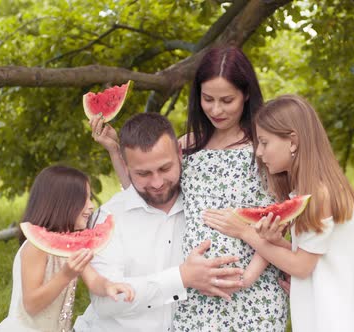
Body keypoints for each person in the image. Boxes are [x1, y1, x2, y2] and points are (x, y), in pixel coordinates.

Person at [90, 47, 289, 331]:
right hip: (195, 292)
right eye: (208, 99)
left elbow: (279, 219)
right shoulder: (188, 146)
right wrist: (113, 150)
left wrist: (247, 277)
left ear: (246, 94)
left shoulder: (263, 147)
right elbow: (149, 192)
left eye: (227, 100)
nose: (216, 110)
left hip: (252, 291)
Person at [203, 94, 354, 332]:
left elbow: (301, 266)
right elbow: (314, 256)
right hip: (325, 308)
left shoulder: (319, 194)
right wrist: (277, 242)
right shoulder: (310, 189)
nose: (259, 152)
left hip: (335, 318)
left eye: (265, 142)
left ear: (293, 141)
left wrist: (245, 232)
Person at [74, 113, 245, 332]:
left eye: (165, 169)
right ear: (125, 169)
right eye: (143, 173)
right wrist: (182, 277)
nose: (156, 183)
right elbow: (106, 303)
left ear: (181, 156)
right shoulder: (106, 218)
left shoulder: (205, 206)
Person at [0, 165, 134, 332]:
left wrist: (108, 286)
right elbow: (31, 305)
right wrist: (66, 275)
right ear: (63, 202)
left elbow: (94, 280)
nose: (91, 206)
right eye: (85, 198)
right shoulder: (35, 247)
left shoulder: (71, 245)